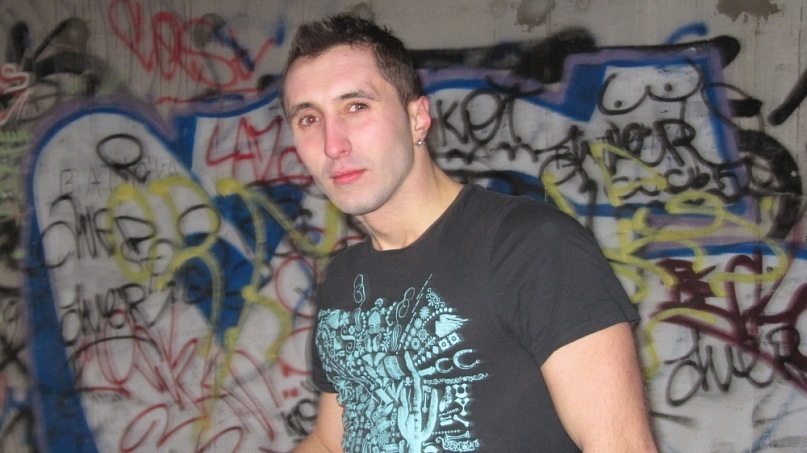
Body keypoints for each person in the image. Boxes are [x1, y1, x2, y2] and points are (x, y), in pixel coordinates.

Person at [280, 14, 658, 452]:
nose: (333, 145)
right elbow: (331, 441)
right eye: (309, 119)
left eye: (356, 107)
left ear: (417, 119)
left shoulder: (532, 247)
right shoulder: (344, 278)